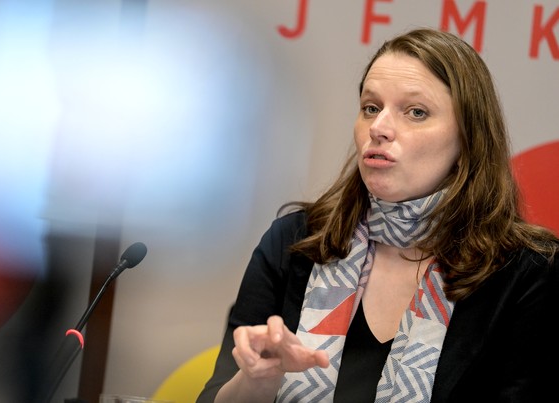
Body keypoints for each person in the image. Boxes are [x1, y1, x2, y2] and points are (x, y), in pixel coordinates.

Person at [196, 27, 559, 402]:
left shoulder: (526, 272)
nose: (380, 128)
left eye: (416, 112)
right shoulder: (296, 241)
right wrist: (258, 381)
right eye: (371, 108)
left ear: (468, 140)